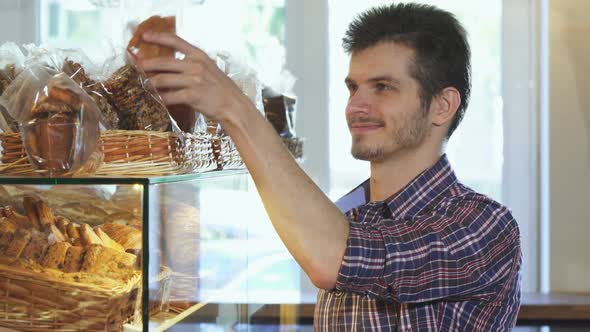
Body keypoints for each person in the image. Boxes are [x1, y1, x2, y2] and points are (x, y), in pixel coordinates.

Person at [138, 2, 521, 330]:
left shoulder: (484, 226)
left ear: (442, 106)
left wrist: (236, 109)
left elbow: (336, 258)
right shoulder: (351, 216)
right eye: (354, 87)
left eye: (383, 87)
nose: (356, 106)